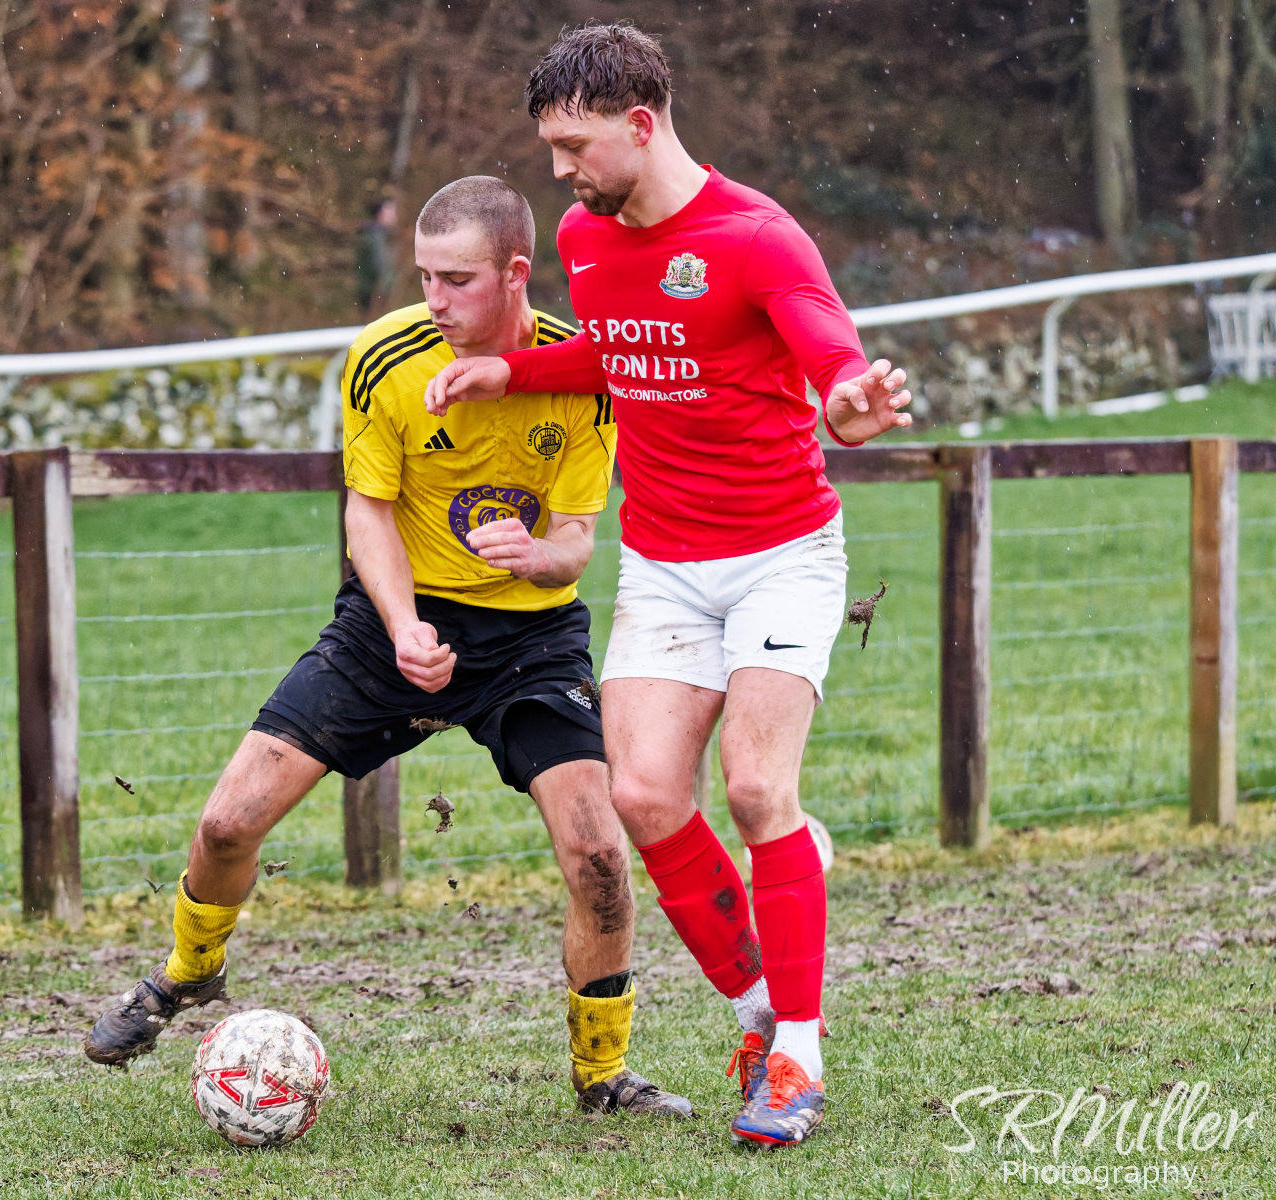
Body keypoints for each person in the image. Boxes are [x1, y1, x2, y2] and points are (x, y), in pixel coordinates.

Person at [84, 175, 691, 1119]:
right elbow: (367, 512)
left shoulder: (581, 370)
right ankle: (189, 971)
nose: (434, 300)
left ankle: (603, 1074)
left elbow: (578, 537)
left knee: (600, 858)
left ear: (516, 273)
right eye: (424, 277)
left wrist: (539, 557)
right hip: (389, 623)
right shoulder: (383, 357)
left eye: (457, 280)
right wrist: (405, 625)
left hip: (531, 640)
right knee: (228, 823)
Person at [424, 22, 913, 1147]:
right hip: (663, 564)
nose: (560, 170)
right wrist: (510, 371)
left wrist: (849, 400)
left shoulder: (757, 237)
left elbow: (830, 356)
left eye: (575, 146)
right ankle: (761, 1009)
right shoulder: (585, 236)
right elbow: (624, 350)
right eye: (551, 147)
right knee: (644, 797)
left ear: (640, 125)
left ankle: (797, 1059)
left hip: (782, 555)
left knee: (757, 792)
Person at [354, 195, 399, 318]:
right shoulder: (375, 237)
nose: (394, 215)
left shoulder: (377, 235)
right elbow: (380, 265)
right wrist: (387, 288)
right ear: (380, 215)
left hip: (371, 291)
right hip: (374, 293)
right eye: (390, 211)